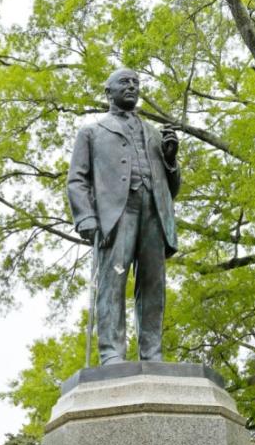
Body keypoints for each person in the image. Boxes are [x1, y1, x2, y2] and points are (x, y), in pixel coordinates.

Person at [67, 68, 181, 364]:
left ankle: (152, 353)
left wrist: (170, 161)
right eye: (124, 82)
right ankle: (112, 354)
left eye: (136, 82)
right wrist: (86, 218)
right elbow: (77, 180)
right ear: (109, 92)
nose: (132, 86)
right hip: (116, 215)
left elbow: (172, 189)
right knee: (112, 283)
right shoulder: (92, 132)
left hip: (154, 213)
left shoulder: (155, 134)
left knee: (153, 285)